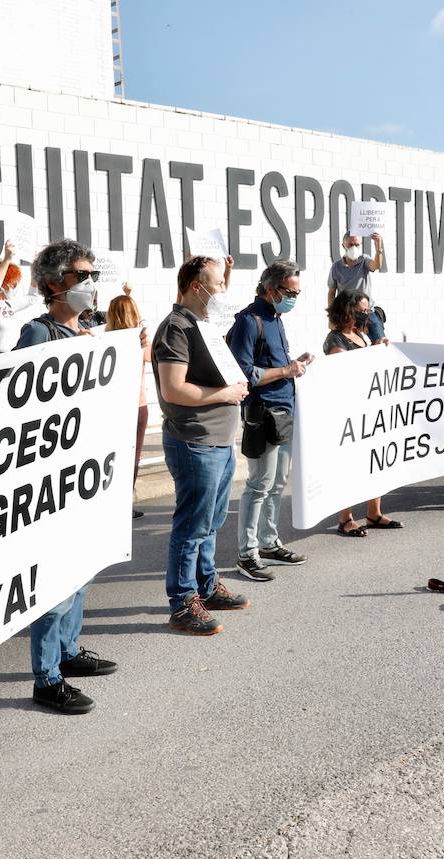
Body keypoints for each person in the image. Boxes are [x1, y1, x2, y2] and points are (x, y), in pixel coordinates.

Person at [0, 238, 119, 713]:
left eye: (92, 275)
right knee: (54, 581)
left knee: (80, 572)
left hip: (83, 475)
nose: (90, 284)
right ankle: (46, 677)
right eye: (80, 276)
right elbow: (23, 406)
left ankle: (68, 653)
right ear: (52, 285)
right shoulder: (38, 335)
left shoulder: (86, 331)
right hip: (51, 479)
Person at [153, 255, 251, 634]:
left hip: (218, 441)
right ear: (197, 287)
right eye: (218, 284)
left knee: (211, 522)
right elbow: (173, 388)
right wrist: (225, 394)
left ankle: (205, 587)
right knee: (192, 525)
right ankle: (182, 602)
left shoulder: (203, 324)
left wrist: (227, 271)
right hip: (194, 441)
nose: (223, 291)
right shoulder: (176, 328)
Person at [228, 260, 315, 582]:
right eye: (289, 292)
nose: (294, 298)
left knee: (277, 483)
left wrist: (295, 364)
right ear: (270, 289)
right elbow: (243, 373)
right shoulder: (249, 321)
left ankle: (267, 541)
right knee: (259, 484)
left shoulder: (275, 318)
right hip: (262, 412)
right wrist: (285, 371)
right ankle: (247, 553)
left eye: (297, 293)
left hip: (283, 409)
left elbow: (273, 364)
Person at [324, 289, 403, 537]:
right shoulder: (336, 339)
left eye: (368, 311)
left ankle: (374, 513)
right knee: (349, 465)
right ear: (347, 311)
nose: (365, 315)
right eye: (361, 311)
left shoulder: (362, 336)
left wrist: (381, 349)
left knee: (375, 463)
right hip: (349, 411)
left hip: (370, 409)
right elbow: (345, 372)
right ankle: (345, 518)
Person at [106, 285, 151, 516]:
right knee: (134, 455)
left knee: (112, 454)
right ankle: (125, 503)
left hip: (113, 406)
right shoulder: (140, 340)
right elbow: (151, 358)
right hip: (138, 405)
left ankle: (111, 500)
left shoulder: (105, 339)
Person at [328, 231, 388, 343]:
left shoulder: (364, 260)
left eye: (357, 245)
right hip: (347, 314)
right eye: (350, 245)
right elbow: (332, 292)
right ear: (343, 246)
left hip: (367, 312)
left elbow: (376, 265)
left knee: (381, 342)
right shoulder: (336, 267)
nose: (354, 247)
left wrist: (378, 247)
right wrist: (331, 317)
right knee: (346, 344)